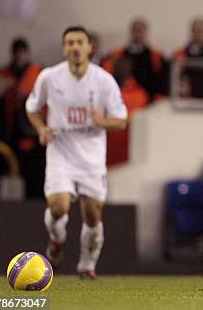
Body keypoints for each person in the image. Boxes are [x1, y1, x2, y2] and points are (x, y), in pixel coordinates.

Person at [26, 26, 128, 279]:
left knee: (93, 214)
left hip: (91, 157)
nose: (75, 47)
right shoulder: (49, 77)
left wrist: (101, 121)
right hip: (60, 153)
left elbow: (121, 120)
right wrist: (41, 129)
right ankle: (56, 240)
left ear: (89, 47)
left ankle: (86, 263)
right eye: (70, 43)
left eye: (79, 42)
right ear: (64, 48)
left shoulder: (104, 80)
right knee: (58, 207)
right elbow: (32, 107)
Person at [0, 37, 44, 197]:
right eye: (16, 53)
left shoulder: (38, 74)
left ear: (27, 54)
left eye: (22, 53)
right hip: (10, 137)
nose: (19, 57)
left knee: (35, 178)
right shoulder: (3, 75)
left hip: (35, 137)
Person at [101, 18, 168, 102]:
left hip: (148, 102)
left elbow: (162, 81)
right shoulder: (117, 55)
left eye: (141, 30)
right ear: (131, 31)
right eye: (136, 30)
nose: (138, 34)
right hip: (122, 99)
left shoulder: (156, 57)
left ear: (145, 32)